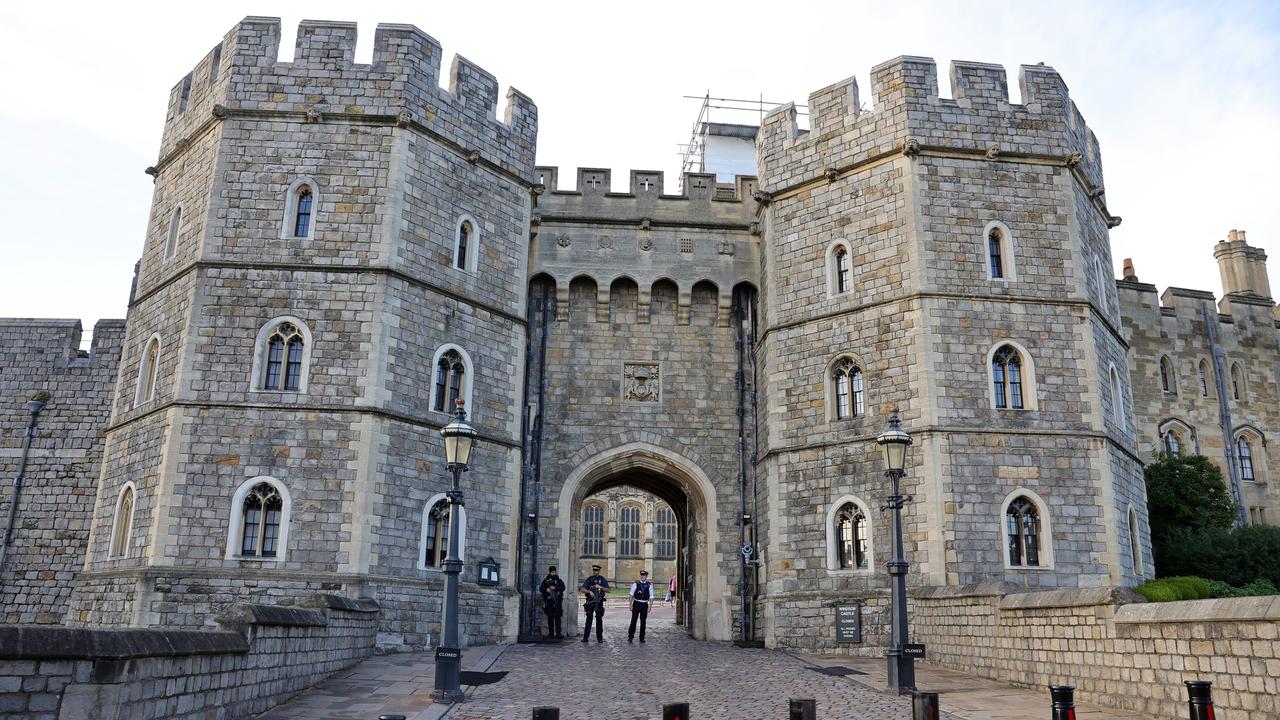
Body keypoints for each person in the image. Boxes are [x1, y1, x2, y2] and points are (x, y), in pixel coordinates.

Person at [580, 564, 609, 643]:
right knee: (588, 620)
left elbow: (608, 590)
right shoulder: (589, 579)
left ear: (599, 571)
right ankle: (585, 638)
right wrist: (589, 591)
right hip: (590, 602)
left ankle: (599, 638)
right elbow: (582, 589)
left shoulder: (602, 579)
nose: (594, 572)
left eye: (596, 570)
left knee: (599, 621)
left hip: (599, 602)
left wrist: (601, 587)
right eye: (594, 570)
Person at [539, 565, 566, 638]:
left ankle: (558, 633)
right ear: (550, 572)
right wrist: (546, 590)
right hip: (549, 601)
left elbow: (563, 587)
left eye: (554, 572)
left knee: (557, 617)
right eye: (552, 572)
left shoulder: (558, 580)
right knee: (550, 617)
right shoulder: (546, 580)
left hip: (557, 601)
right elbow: (541, 588)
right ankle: (551, 634)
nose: (553, 573)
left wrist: (555, 587)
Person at [627, 569, 653, 643]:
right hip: (636, 603)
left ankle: (642, 638)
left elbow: (651, 597)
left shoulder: (649, 585)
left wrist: (650, 607)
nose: (642, 576)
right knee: (633, 620)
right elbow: (631, 594)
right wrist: (630, 604)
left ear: (646, 576)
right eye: (641, 575)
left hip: (644, 604)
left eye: (644, 575)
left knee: (643, 621)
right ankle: (630, 637)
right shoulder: (636, 584)